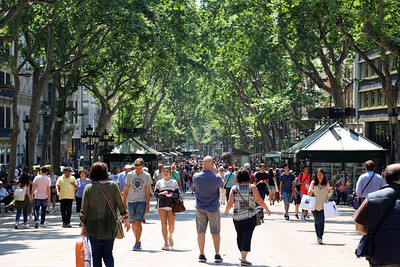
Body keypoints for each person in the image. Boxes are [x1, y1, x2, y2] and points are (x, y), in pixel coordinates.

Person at [80, 161, 130, 267]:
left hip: (93, 226)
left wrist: (83, 226)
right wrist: (126, 219)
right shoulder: (113, 186)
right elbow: (121, 205)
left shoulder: (88, 188)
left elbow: (84, 210)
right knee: (108, 254)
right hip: (110, 225)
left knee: (96, 256)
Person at [354, 163, 400, 266]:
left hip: (378, 255)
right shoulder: (377, 179)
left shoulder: (370, 198)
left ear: (385, 177)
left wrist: (375, 234)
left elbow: (359, 227)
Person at [224, 168, 271, 266]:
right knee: (247, 235)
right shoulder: (252, 187)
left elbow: (230, 202)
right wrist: (267, 209)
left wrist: (227, 210)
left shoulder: (234, 188)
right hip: (250, 216)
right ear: (247, 177)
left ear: (237, 177)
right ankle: (244, 258)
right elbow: (259, 200)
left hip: (237, 217)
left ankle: (242, 255)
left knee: (240, 235)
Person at [193, 156, 224, 263]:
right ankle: (217, 254)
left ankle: (201, 254)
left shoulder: (196, 176)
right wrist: (215, 172)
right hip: (213, 207)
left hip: (200, 207)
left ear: (202, 165)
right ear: (212, 165)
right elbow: (222, 185)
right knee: (215, 231)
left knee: (201, 231)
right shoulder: (216, 177)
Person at [123, 158, 152, 251]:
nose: (138, 170)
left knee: (138, 221)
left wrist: (148, 204)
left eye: (140, 168)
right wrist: (124, 202)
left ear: (142, 166)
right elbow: (126, 189)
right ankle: (138, 239)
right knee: (134, 223)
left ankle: (136, 243)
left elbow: (148, 191)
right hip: (131, 201)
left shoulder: (147, 176)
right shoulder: (130, 175)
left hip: (141, 201)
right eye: (136, 168)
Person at [154, 166, 179, 250]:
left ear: (170, 173)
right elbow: (155, 194)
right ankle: (165, 242)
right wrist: (162, 194)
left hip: (172, 206)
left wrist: (172, 194)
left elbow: (177, 194)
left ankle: (170, 236)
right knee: (163, 225)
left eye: (167, 171)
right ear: (162, 173)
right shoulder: (159, 183)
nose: (165, 172)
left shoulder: (174, 182)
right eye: (164, 171)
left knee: (172, 225)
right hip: (162, 206)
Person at [308, 169, 333, 244]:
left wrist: (329, 191)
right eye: (318, 175)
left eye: (321, 175)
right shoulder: (313, 183)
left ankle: (320, 237)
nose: (319, 176)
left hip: (323, 206)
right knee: (317, 222)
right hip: (314, 206)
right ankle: (317, 236)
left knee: (321, 222)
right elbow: (309, 192)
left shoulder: (326, 184)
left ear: (323, 175)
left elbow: (329, 195)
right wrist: (310, 192)